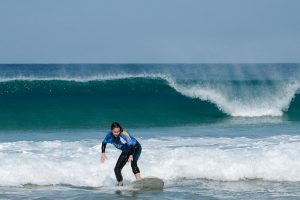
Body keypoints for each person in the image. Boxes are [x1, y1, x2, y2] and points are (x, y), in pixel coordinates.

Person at [100, 122, 142, 186]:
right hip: (125, 151)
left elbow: (132, 146)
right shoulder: (109, 136)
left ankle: (139, 181)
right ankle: (120, 185)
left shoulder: (124, 135)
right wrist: (103, 153)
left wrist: (131, 155)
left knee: (133, 164)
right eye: (115, 132)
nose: (117, 133)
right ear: (112, 131)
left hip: (135, 148)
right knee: (116, 169)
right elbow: (104, 143)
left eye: (118, 131)